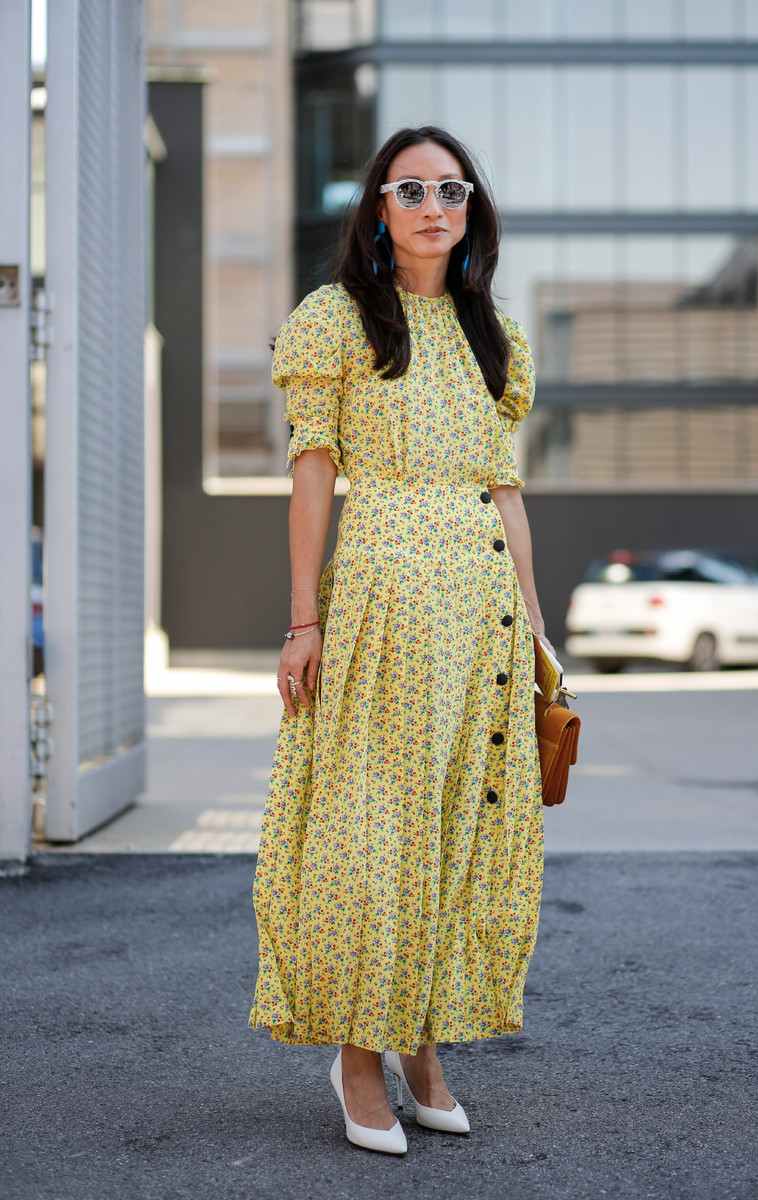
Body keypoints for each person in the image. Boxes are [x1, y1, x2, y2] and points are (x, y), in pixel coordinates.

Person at [249, 124, 556, 1156]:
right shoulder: (334, 319)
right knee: (369, 832)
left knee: (451, 832)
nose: (432, 205)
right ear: (378, 209)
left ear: (471, 211)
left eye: (452, 189)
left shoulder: (492, 334)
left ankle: (422, 1040)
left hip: (478, 603)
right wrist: (303, 619)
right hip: (380, 588)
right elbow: (310, 475)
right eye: (410, 188)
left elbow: (502, 488)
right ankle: (356, 1055)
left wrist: (536, 625)